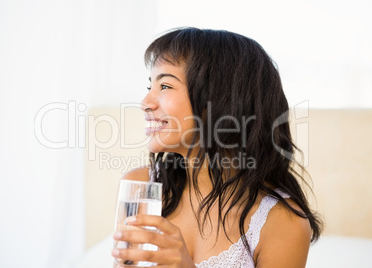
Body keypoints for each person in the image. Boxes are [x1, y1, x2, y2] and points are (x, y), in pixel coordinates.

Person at [111, 27, 323, 267]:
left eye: (165, 86)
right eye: (150, 86)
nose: (145, 103)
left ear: (219, 100)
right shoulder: (141, 187)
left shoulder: (282, 222)